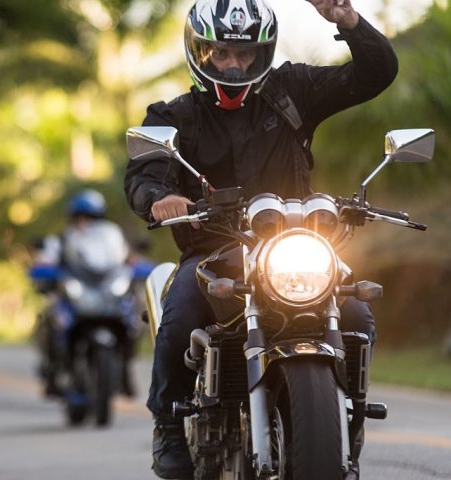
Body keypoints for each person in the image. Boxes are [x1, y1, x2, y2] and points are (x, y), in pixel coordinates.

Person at [124, 1, 397, 478]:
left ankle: (348, 413)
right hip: (216, 253)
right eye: (223, 52)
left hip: (297, 246)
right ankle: (168, 422)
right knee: (183, 305)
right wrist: (157, 197)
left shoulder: (293, 90)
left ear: (262, 53)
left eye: (246, 54)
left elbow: (375, 74)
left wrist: (348, 21)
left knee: (355, 312)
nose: (234, 64)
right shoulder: (174, 115)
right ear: (200, 51)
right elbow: (144, 172)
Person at [30, 189, 142, 398]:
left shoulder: (111, 239)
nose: (85, 222)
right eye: (81, 217)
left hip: (105, 293)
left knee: (134, 318)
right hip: (76, 294)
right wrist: (43, 268)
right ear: (73, 218)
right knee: (52, 316)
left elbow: (127, 259)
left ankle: (125, 370)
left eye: (91, 217)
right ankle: (54, 370)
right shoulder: (62, 240)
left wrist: (140, 266)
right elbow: (46, 260)